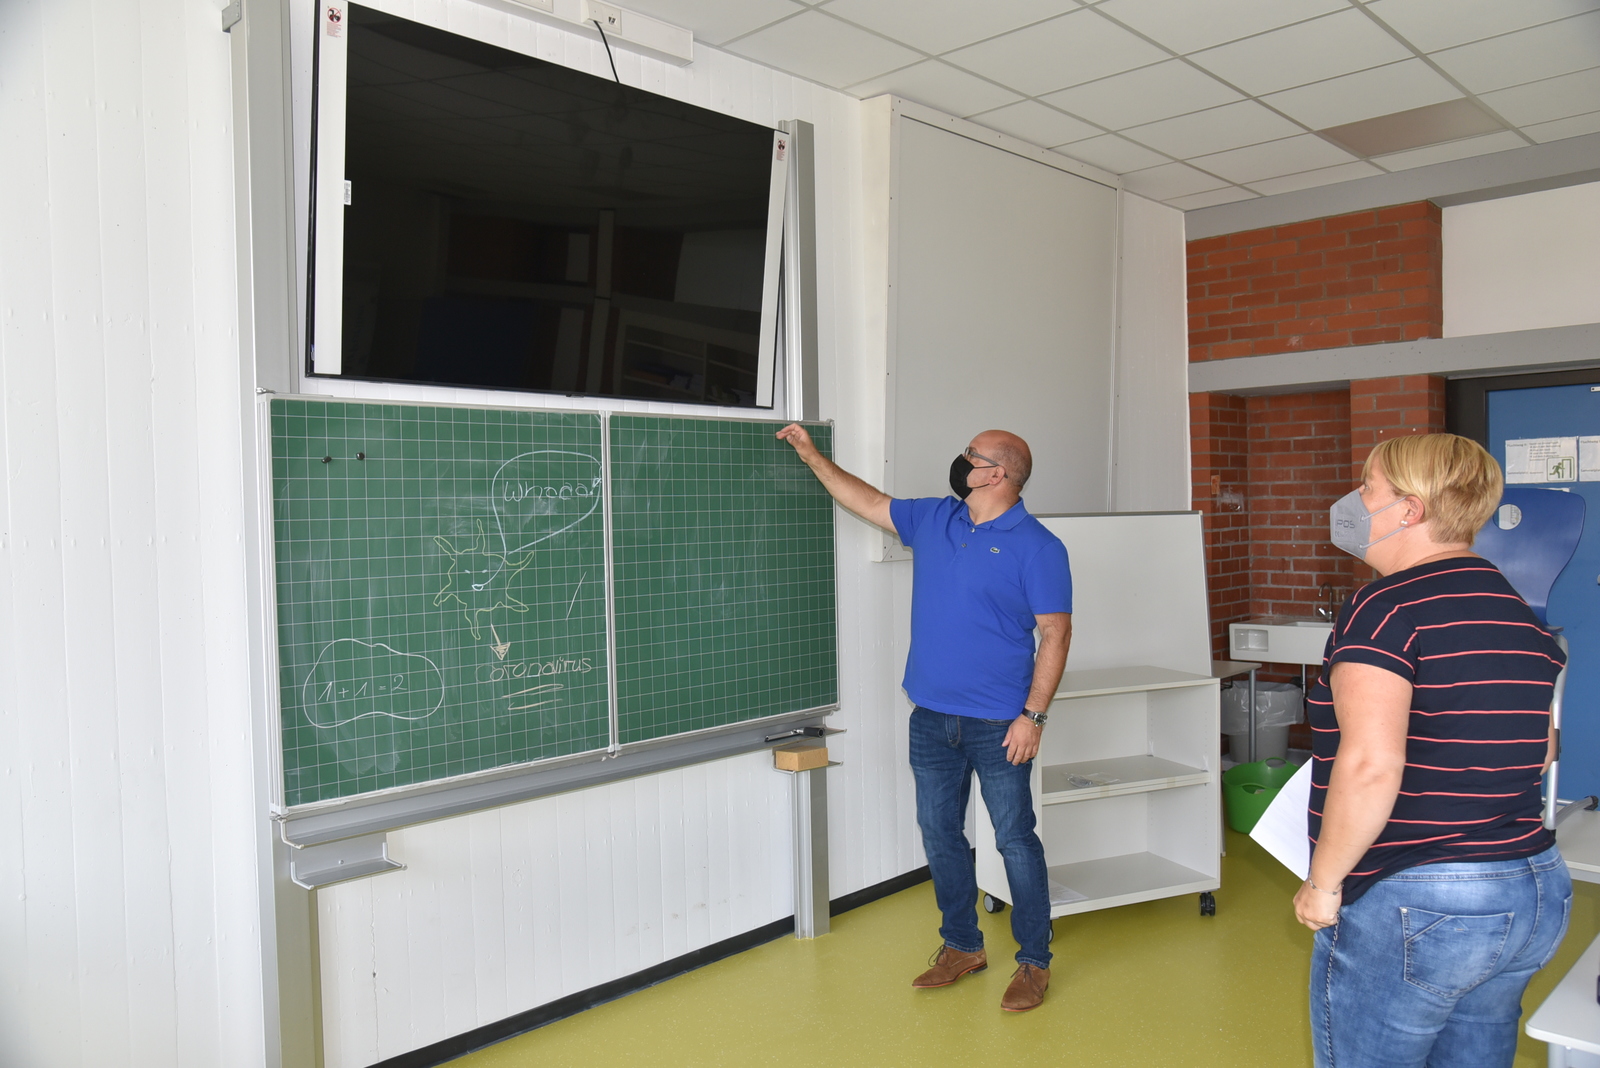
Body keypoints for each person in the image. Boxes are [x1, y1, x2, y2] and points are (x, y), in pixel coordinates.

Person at [1296, 433, 1571, 1068]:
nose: (1356, 501)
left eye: (1368, 488)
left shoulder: (1385, 605)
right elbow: (1541, 750)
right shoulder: (1513, 607)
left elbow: (1370, 764)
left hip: (1422, 898)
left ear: (1410, 509)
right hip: (1529, 887)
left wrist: (1325, 882)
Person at [776, 424, 1071, 1012]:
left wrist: (1032, 717)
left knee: (1014, 839)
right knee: (939, 833)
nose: (960, 461)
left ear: (996, 474)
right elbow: (866, 500)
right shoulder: (937, 518)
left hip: (1000, 725)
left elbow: (1055, 634)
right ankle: (962, 947)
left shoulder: (1039, 546)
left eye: (971, 455)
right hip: (931, 718)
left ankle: (1034, 961)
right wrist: (811, 455)